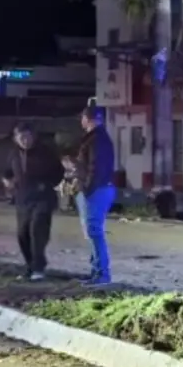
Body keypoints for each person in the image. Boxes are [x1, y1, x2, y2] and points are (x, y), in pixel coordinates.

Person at [1, 123, 64, 281]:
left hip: (43, 198)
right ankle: (30, 265)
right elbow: (7, 172)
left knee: (37, 230)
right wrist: (7, 181)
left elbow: (59, 172)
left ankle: (39, 268)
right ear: (15, 139)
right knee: (23, 234)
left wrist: (47, 184)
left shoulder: (45, 152)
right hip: (23, 199)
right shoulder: (14, 154)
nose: (25, 140)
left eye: (27, 137)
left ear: (33, 137)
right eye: (21, 137)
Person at [74, 106, 115, 286]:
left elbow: (95, 167)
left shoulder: (96, 139)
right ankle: (96, 271)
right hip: (97, 188)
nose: (81, 122)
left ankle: (101, 274)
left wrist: (87, 188)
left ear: (87, 119)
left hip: (96, 190)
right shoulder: (98, 138)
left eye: (83, 118)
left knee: (94, 232)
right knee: (92, 232)